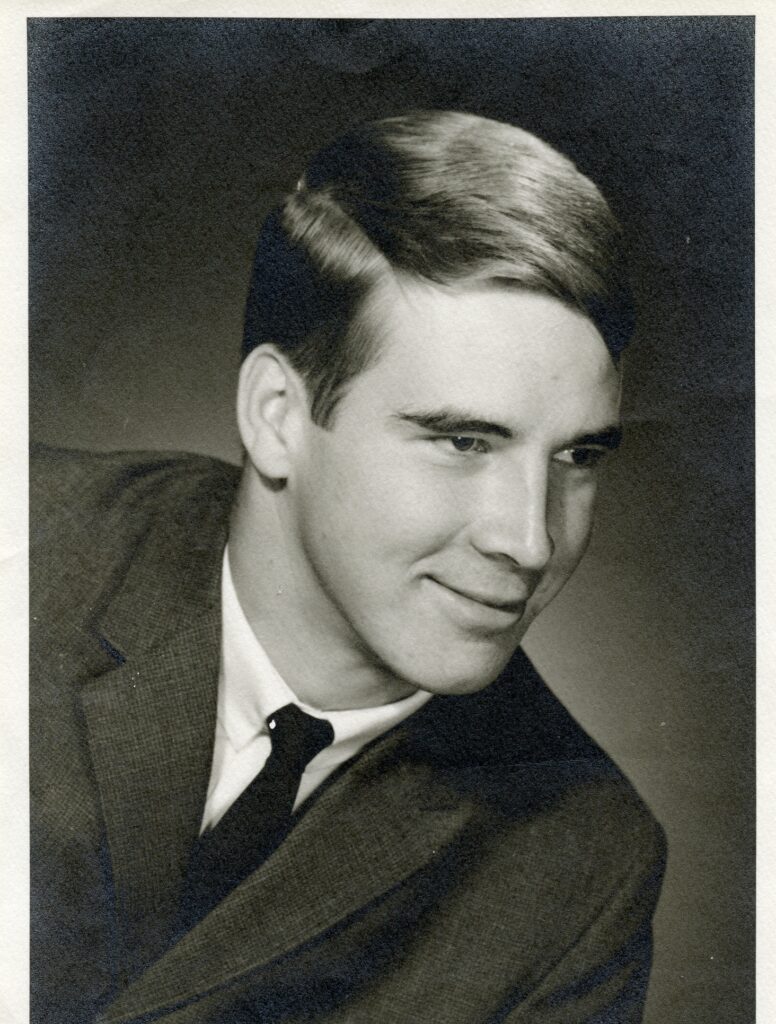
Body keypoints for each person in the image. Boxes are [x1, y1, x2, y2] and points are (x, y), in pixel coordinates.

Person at [30, 110, 665, 1024]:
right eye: (462, 441)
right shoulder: (29, 544)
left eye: (578, 459)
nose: (530, 541)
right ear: (279, 416)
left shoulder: (581, 870)